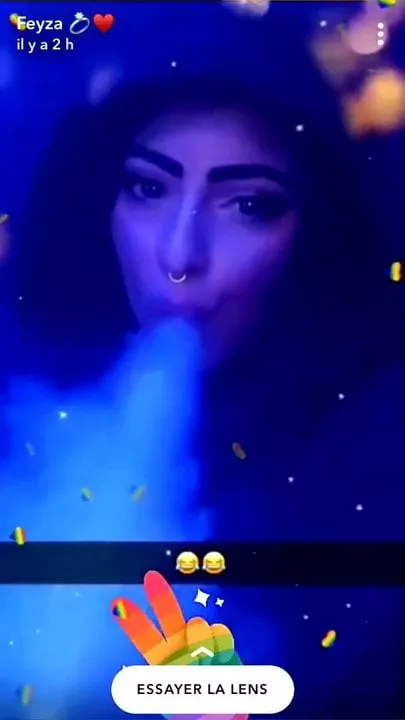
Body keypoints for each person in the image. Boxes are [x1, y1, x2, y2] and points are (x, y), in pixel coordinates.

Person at [2, 3, 405, 718]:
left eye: (248, 206)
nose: (179, 254)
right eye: (148, 188)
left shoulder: (375, 470)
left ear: (317, 227)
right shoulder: (24, 392)